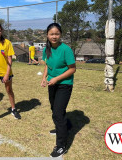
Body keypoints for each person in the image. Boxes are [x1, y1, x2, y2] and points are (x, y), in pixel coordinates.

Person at [40, 23, 76, 158]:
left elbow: (72, 69)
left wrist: (56, 79)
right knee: (55, 109)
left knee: (58, 112)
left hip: (64, 84)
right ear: (47, 35)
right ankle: (65, 126)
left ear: (60, 35)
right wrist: (44, 78)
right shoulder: (46, 49)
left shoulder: (66, 49)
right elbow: (47, 66)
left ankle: (61, 145)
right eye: (51, 34)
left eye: (57, 34)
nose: (54, 36)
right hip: (52, 84)